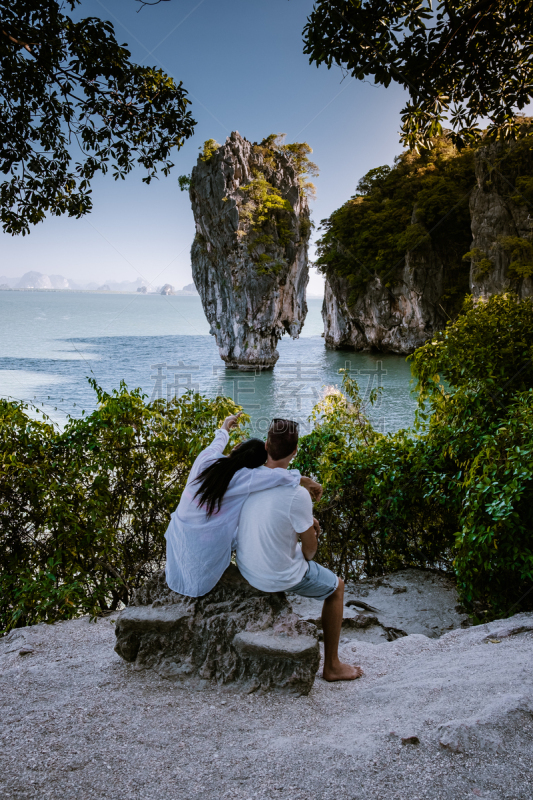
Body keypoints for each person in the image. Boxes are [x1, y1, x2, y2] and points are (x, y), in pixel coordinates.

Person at [236, 418, 363, 682]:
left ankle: (333, 664)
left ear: (266, 445)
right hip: (274, 576)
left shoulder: (248, 475)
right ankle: (332, 666)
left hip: (246, 568)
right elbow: (309, 553)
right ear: (295, 452)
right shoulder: (297, 495)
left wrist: (298, 521)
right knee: (336, 587)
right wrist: (309, 531)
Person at [165, 413, 322, 598]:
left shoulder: (206, 459)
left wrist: (224, 426)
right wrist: (304, 481)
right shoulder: (244, 477)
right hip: (204, 552)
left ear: (238, 447)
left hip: (178, 539)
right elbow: (277, 475)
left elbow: (217, 442)